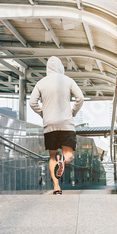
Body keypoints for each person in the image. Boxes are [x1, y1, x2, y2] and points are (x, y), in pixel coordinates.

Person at [29, 56, 84, 195]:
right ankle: (64, 162)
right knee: (69, 155)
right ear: (61, 67)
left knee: (52, 156)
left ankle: (56, 187)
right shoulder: (68, 80)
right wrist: (73, 112)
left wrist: (43, 113)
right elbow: (80, 98)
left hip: (50, 125)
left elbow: (32, 103)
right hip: (66, 124)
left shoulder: (41, 83)